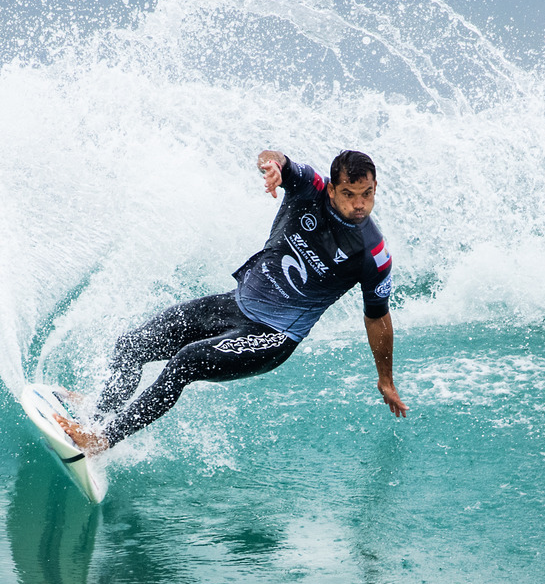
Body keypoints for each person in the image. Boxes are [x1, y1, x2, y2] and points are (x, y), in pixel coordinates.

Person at [54, 149, 405, 455]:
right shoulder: (309, 187)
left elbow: (378, 317)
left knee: (185, 362)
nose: (359, 205)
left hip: (274, 335)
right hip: (236, 304)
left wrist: (385, 379)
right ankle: (99, 411)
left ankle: (101, 439)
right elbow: (276, 157)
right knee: (133, 344)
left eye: (367, 194)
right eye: (349, 194)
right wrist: (271, 166)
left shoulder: (372, 254)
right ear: (331, 188)